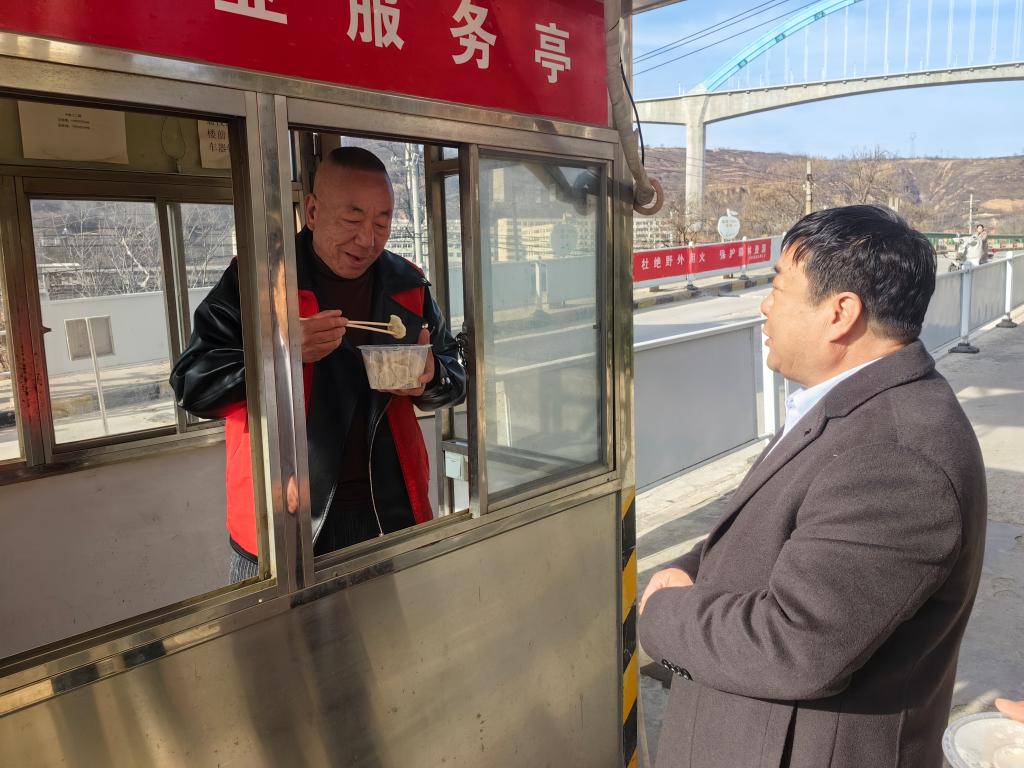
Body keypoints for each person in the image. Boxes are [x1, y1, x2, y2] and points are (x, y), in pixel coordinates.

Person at [639, 205, 987, 768]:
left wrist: (664, 611)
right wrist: (690, 567)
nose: (765, 305)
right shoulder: (855, 406)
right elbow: (772, 532)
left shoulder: (896, 456)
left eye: (779, 287)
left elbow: (796, 645)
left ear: (840, 313)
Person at [170, 147, 466, 582]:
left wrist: (430, 376)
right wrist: (281, 354)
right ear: (312, 211)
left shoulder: (407, 284)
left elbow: (454, 375)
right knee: (277, 630)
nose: (367, 240)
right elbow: (192, 386)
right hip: (284, 520)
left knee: (396, 627)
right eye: (352, 220)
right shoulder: (257, 281)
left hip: (388, 510)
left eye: (382, 222)